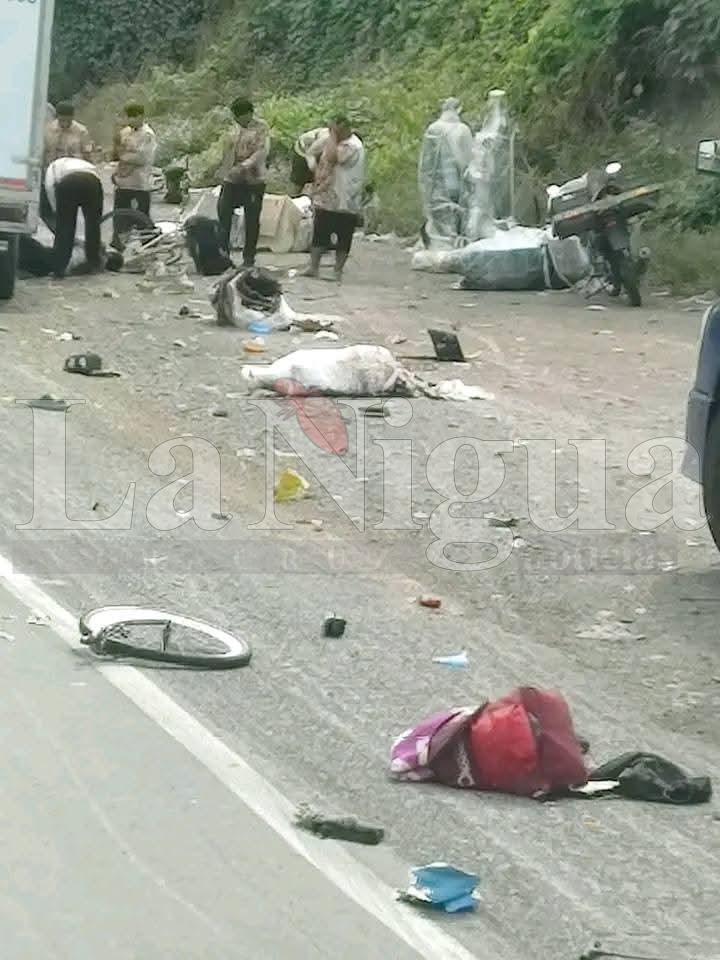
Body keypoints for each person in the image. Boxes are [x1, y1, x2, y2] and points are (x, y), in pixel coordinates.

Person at [303, 116, 365, 282]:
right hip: (327, 196)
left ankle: (337, 271)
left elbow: (332, 157)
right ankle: (313, 267)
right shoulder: (334, 141)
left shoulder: (352, 145)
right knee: (320, 232)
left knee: (343, 235)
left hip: (345, 197)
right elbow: (313, 151)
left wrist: (332, 137)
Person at [217, 97, 270, 267]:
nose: (237, 120)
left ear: (248, 114)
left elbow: (261, 152)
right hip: (232, 178)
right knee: (224, 212)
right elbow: (227, 150)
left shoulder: (261, 128)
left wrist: (244, 166)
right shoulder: (233, 128)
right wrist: (224, 171)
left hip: (253, 179)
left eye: (239, 117)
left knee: (251, 218)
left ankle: (249, 257)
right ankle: (223, 253)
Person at [418, 97, 473, 248]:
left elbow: (426, 164)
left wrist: (426, 187)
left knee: (441, 221)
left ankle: (442, 247)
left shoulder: (433, 129)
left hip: (438, 183)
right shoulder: (463, 130)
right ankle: (456, 246)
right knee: (458, 216)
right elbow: (469, 161)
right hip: (458, 182)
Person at [43, 157, 103, 279]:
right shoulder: (82, 163)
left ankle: (59, 267)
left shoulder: (52, 167)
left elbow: (49, 188)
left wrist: (57, 211)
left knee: (65, 227)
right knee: (93, 225)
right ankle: (94, 262)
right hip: (93, 181)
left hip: (69, 183)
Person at [112, 102, 158, 218]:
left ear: (141, 116)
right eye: (128, 117)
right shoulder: (125, 132)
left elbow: (142, 158)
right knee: (120, 218)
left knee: (140, 218)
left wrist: (124, 156)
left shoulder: (147, 134)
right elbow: (118, 152)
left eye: (134, 116)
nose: (130, 120)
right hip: (123, 183)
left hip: (140, 183)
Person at [291, 126, 328, 196]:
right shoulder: (323, 140)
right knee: (299, 180)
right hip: (303, 152)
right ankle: (293, 199)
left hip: (316, 152)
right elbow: (311, 161)